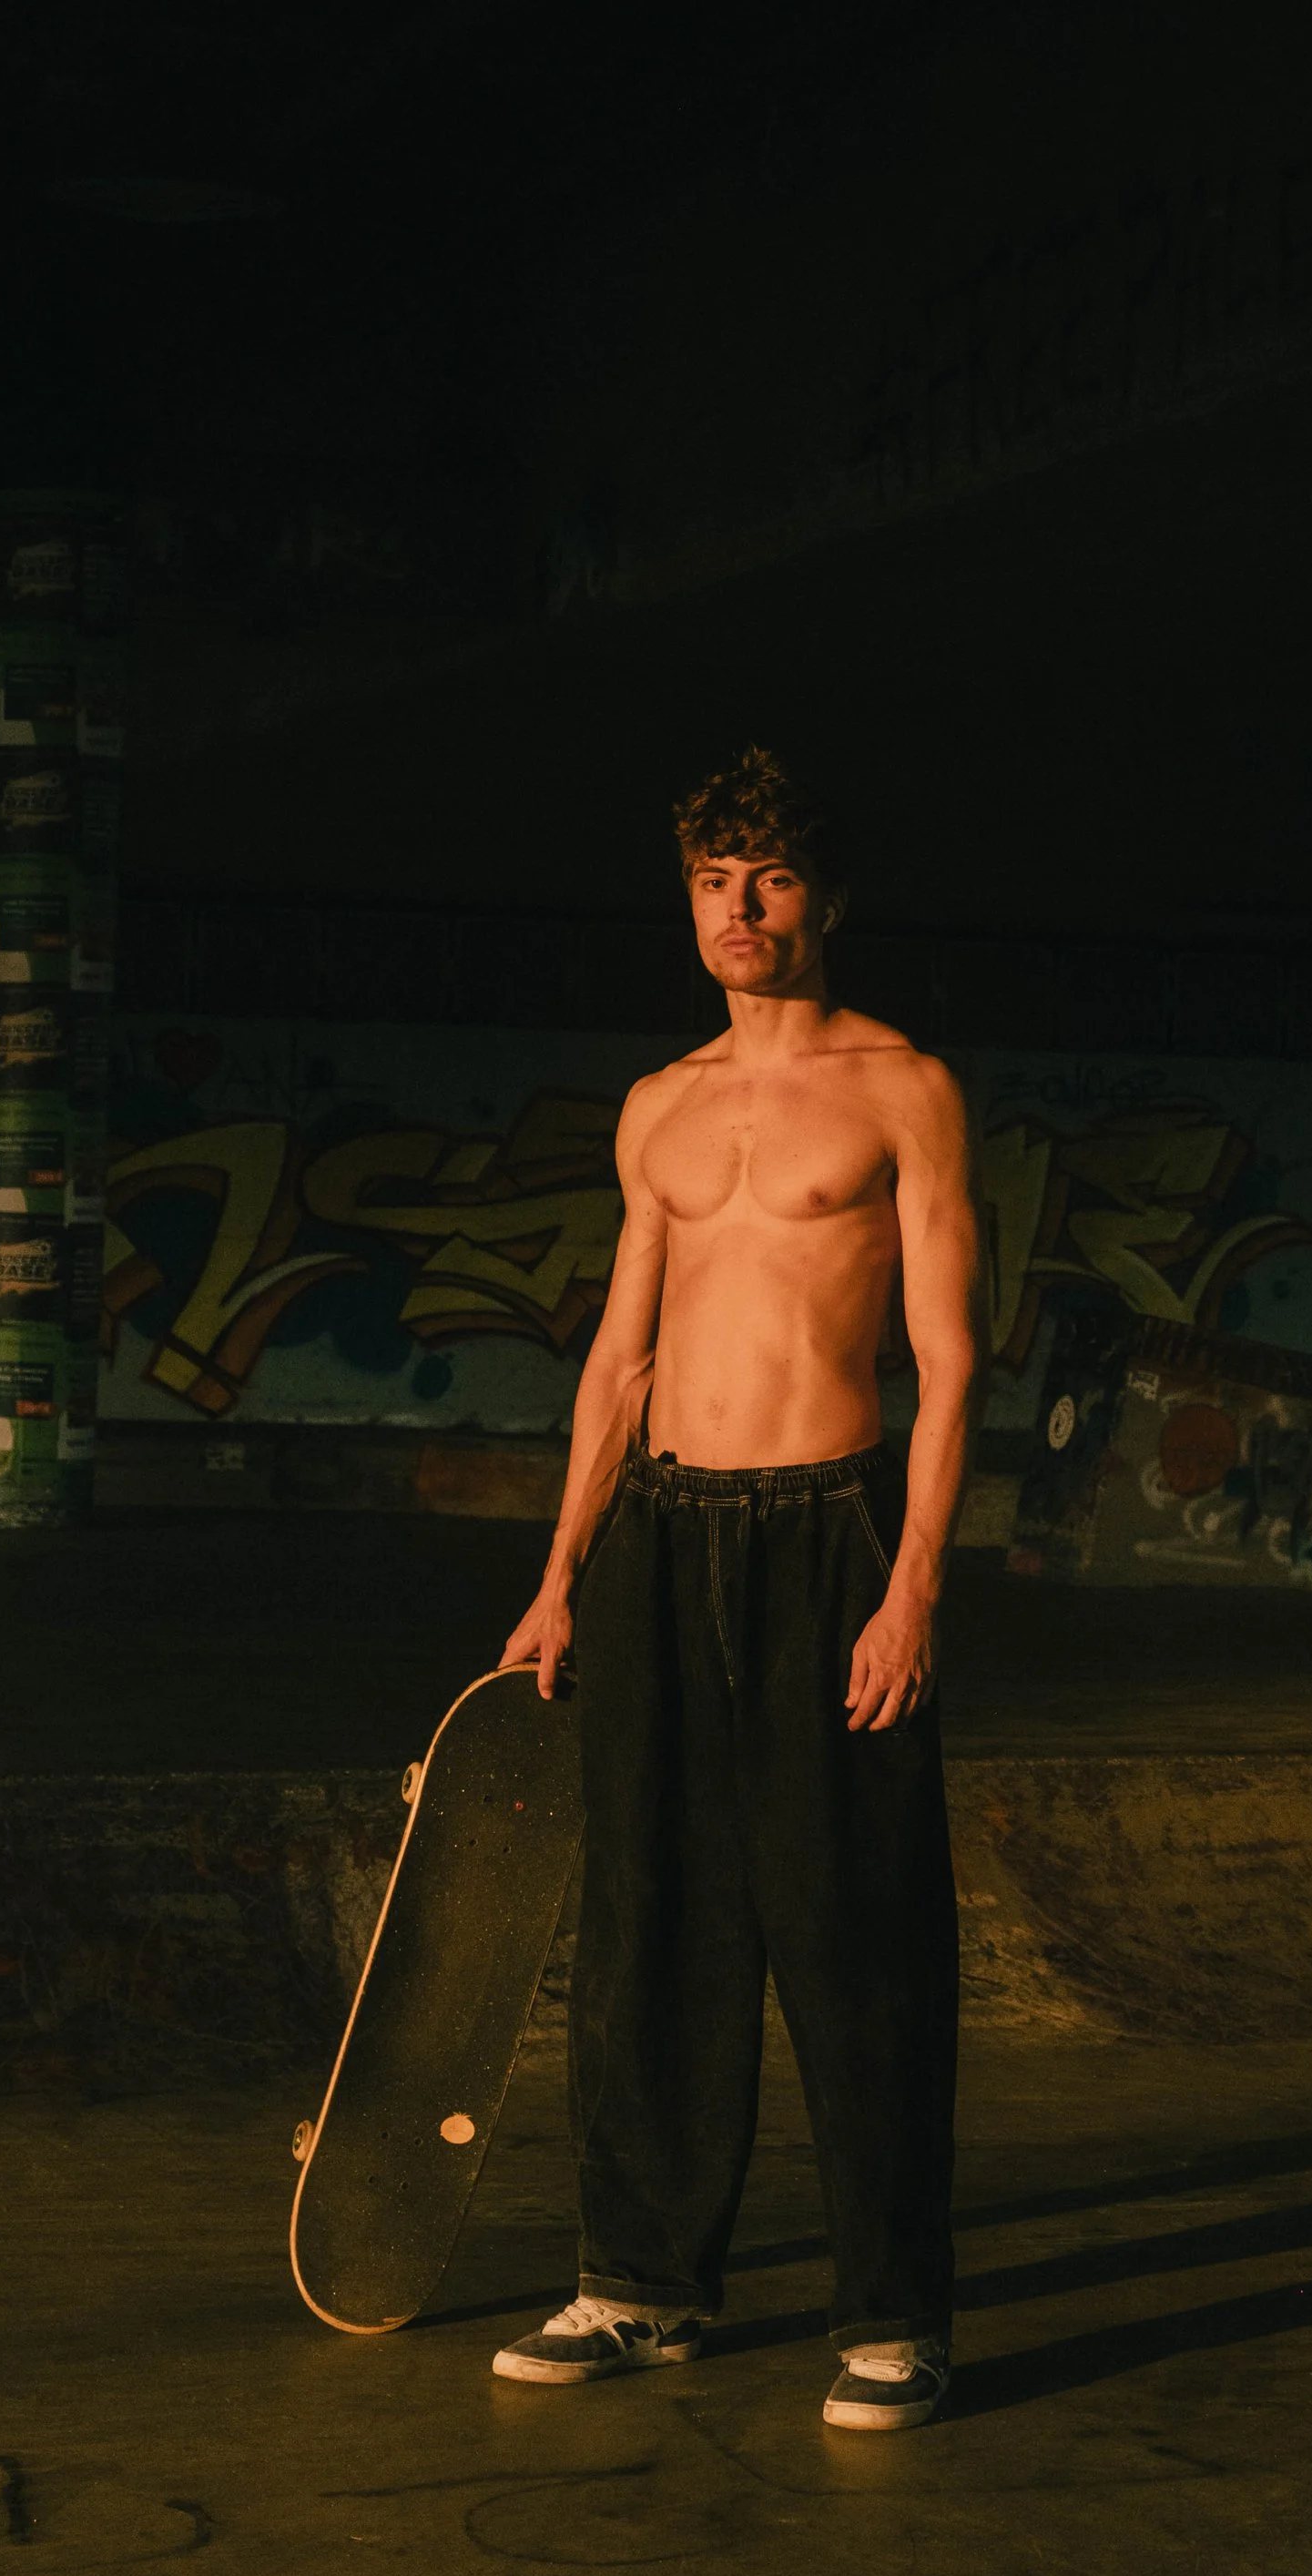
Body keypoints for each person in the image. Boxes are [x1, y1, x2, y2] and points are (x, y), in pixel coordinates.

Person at [493, 747, 981, 2431]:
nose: (739, 910)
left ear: (825, 898)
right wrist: (561, 1570)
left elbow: (949, 1358)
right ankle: (641, 2284)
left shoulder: (904, 1087)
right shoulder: (660, 1105)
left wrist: (912, 1591)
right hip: (662, 1532)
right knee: (649, 1923)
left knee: (856, 1932)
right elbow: (618, 1358)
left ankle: (895, 2318)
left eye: (768, 879)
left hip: (830, 1532)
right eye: (713, 881)